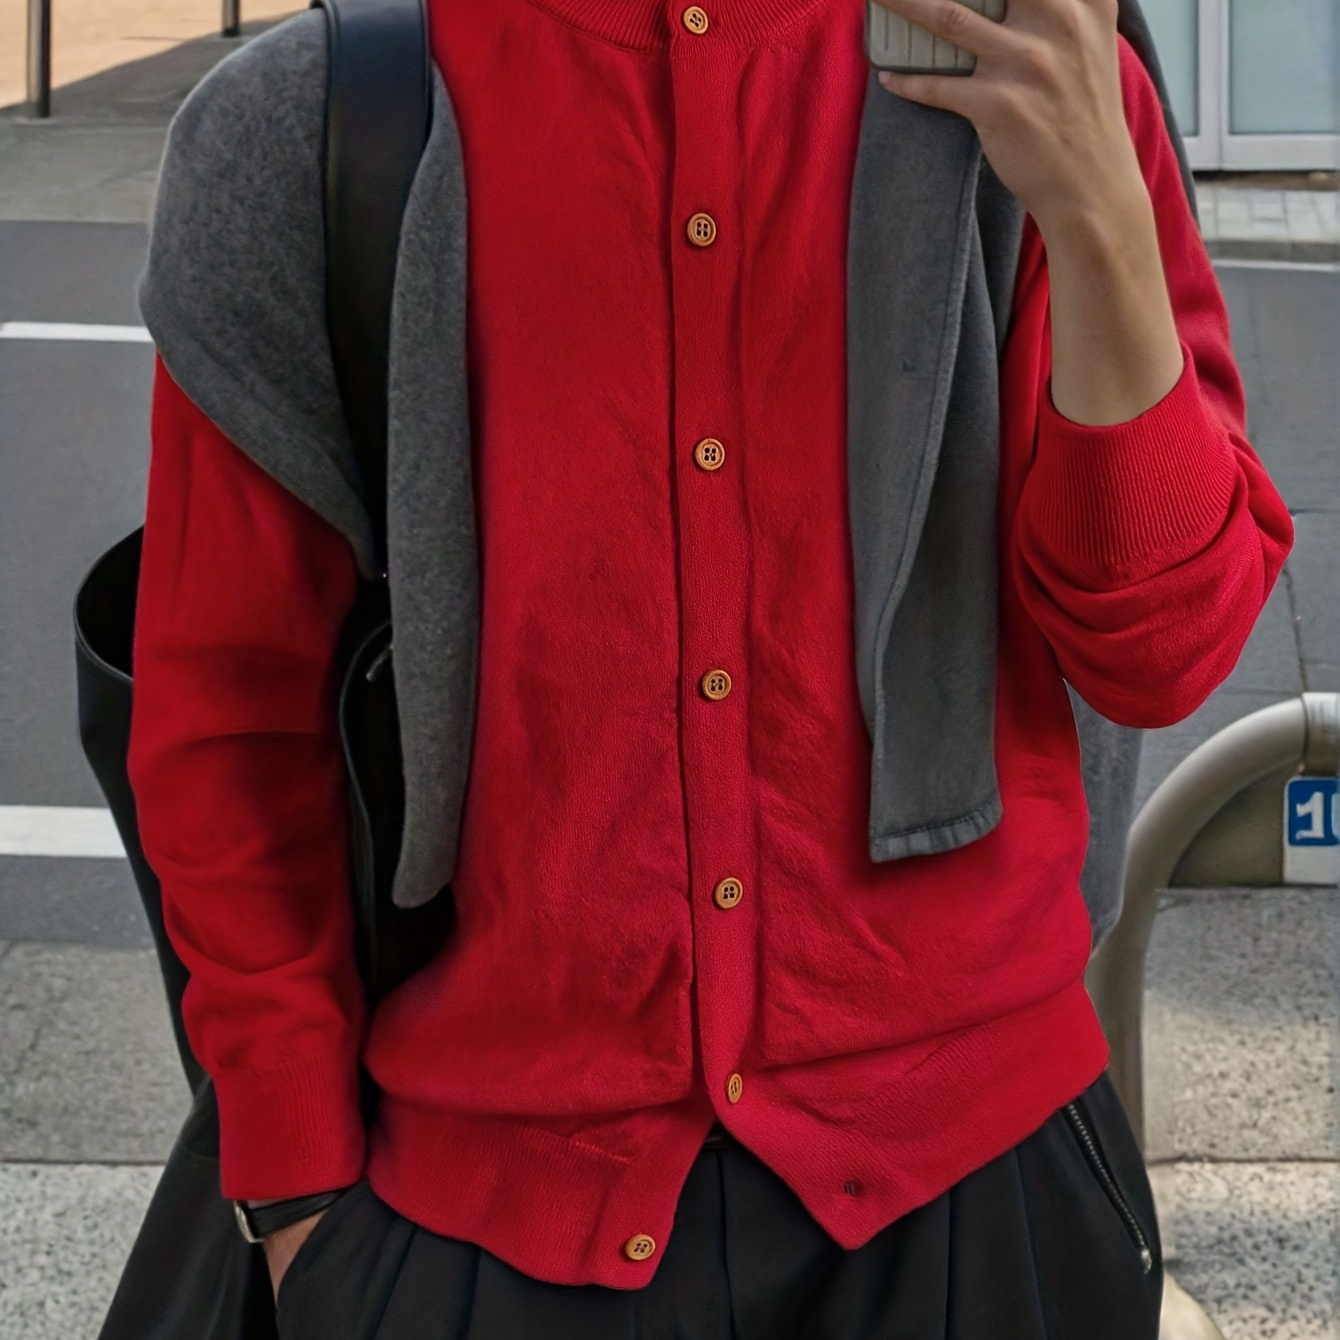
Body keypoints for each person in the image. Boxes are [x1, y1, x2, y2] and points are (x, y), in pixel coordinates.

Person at [125, 0, 1295, 1334]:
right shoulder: (319, 125)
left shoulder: (1033, 69)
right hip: (478, 1208)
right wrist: (298, 1204)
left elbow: (1166, 650)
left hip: (985, 1189)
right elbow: (228, 713)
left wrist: (1098, 215)